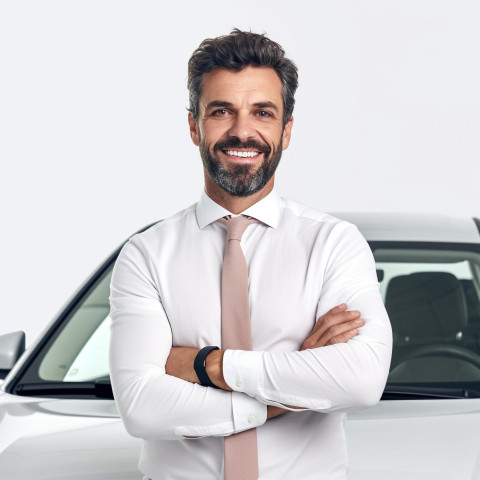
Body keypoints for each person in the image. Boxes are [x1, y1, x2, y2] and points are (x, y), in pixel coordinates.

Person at [109, 29, 392, 480]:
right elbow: (142, 409)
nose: (243, 130)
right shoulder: (146, 255)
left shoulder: (334, 243)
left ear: (287, 130)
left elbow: (359, 380)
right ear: (193, 126)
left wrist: (208, 364)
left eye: (263, 112)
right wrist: (292, 388)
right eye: (222, 111)